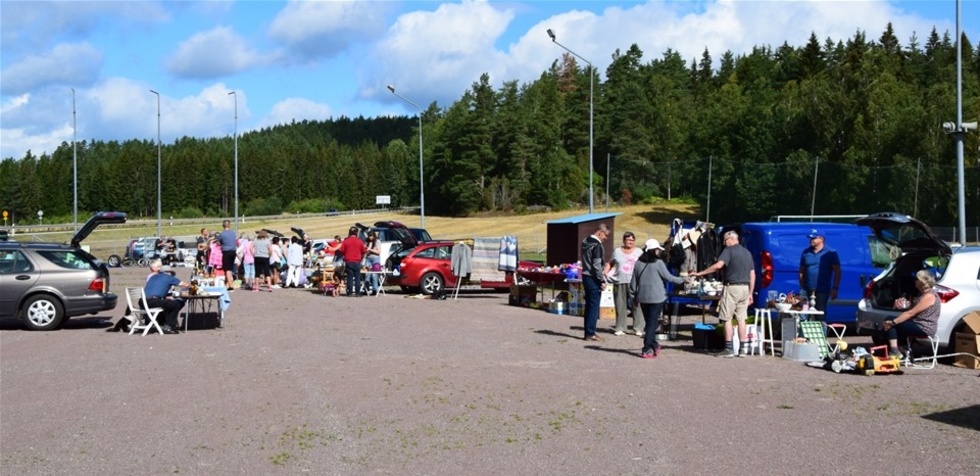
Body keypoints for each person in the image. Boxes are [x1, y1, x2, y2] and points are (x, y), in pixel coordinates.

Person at [691, 230, 755, 358]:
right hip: (745, 288)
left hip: (732, 288)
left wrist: (700, 273)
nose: (724, 243)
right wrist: (750, 293)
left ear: (731, 239)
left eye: (725, 241)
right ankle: (743, 349)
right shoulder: (747, 253)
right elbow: (752, 274)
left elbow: (718, 266)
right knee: (742, 319)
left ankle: (728, 348)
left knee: (727, 318)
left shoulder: (729, 251)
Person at [631, 239, 686, 358]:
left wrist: (633, 296)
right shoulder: (658, 263)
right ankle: (647, 348)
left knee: (649, 323)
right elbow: (669, 278)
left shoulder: (638, 263)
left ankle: (654, 345)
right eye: (657, 249)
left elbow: (633, 282)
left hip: (642, 297)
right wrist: (682, 280)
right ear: (654, 250)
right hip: (657, 297)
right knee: (651, 323)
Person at [883, 270, 940, 358]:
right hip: (917, 323)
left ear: (922, 281)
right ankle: (900, 350)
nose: (914, 281)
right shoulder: (921, 295)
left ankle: (896, 350)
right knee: (890, 320)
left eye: (916, 279)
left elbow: (911, 313)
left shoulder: (929, 296)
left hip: (924, 327)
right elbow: (910, 309)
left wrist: (893, 322)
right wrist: (902, 306)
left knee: (891, 323)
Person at [607, 231, 644, 336]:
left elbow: (644, 265)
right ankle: (620, 327)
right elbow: (610, 263)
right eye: (628, 240)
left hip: (635, 282)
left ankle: (638, 328)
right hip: (619, 281)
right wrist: (606, 272)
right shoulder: (617, 251)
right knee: (620, 305)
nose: (630, 242)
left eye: (632, 240)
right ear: (624, 240)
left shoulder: (639, 252)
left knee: (636, 305)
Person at [798, 229, 841, 314]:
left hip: (822, 290)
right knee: (803, 314)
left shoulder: (830, 253)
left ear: (821, 239)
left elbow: (837, 271)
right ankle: (803, 327)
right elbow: (801, 271)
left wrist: (835, 288)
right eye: (810, 238)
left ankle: (821, 327)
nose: (811, 240)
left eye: (814, 238)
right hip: (806, 290)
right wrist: (802, 286)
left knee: (820, 314)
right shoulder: (806, 252)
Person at [143, 259, 189, 334]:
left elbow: (156, 291)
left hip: (143, 301)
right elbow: (185, 285)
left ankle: (166, 323)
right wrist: (193, 286)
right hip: (153, 301)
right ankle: (169, 326)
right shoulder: (167, 277)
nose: (170, 274)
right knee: (176, 304)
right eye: (168, 272)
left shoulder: (153, 277)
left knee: (169, 303)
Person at [581, 223, 609, 341]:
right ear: (599, 232)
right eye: (605, 235)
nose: (605, 238)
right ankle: (590, 333)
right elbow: (597, 265)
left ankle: (588, 331)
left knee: (588, 305)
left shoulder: (585, 241)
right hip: (593, 277)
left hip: (585, 275)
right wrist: (601, 279)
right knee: (593, 306)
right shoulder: (597, 245)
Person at [338, 226, 367, 297]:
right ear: (356, 233)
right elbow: (364, 251)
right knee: (357, 277)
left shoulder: (346, 241)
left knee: (349, 277)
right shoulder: (360, 241)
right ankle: (357, 292)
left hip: (348, 261)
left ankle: (350, 292)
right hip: (357, 261)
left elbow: (341, 251)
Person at [217, 220, 238, 291]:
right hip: (233, 251)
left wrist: (221, 244)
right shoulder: (233, 233)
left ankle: (231, 286)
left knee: (227, 269)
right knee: (230, 268)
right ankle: (228, 284)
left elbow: (218, 243)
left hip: (226, 252)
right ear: (229, 225)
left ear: (223, 226)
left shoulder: (222, 234)